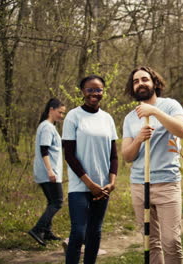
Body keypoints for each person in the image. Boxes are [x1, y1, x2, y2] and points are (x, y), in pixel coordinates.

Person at [122, 66, 183, 264]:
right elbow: (127, 156)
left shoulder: (170, 105)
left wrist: (155, 111)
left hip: (167, 183)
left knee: (171, 241)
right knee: (150, 242)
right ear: (132, 88)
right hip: (140, 185)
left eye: (144, 79)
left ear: (154, 83)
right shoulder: (129, 118)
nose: (140, 83)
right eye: (136, 81)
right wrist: (138, 139)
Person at [62, 75, 118, 264]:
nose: (94, 94)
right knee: (78, 233)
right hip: (80, 186)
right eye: (90, 89)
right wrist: (90, 183)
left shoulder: (108, 118)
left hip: (102, 188)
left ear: (103, 91)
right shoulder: (73, 116)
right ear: (82, 92)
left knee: (95, 233)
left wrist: (111, 183)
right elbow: (69, 155)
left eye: (98, 90)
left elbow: (113, 156)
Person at [28, 98, 66, 246]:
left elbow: (55, 146)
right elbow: (44, 150)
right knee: (57, 202)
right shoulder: (47, 127)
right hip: (48, 172)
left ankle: (47, 232)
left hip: (48, 172)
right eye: (60, 112)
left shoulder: (49, 127)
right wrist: (50, 171)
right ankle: (37, 229)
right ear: (51, 109)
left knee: (52, 202)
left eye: (63, 113)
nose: (61, 116)